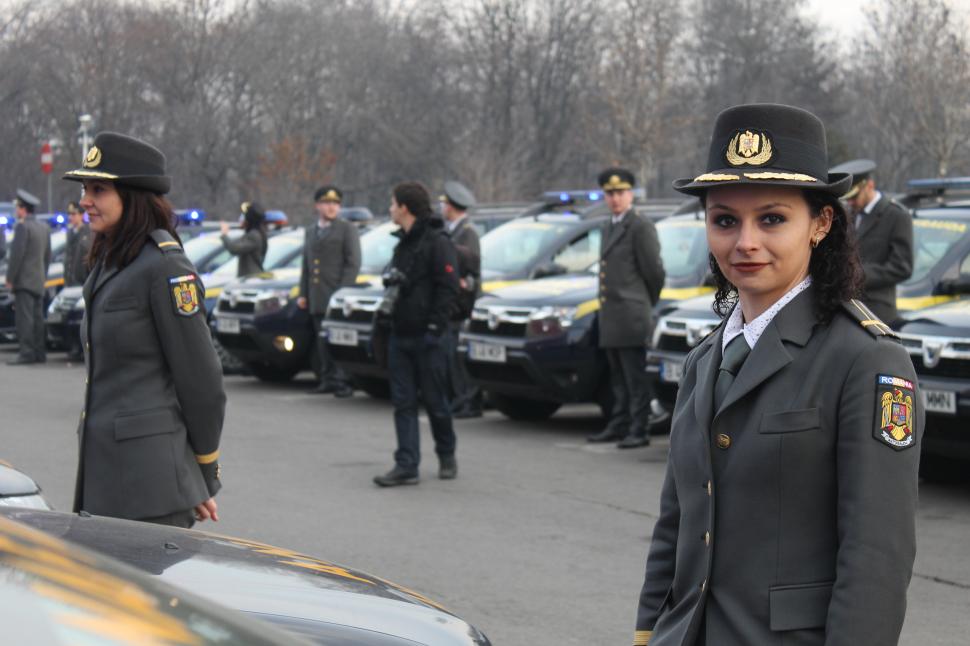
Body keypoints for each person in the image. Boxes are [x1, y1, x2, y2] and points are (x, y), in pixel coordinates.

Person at [632, 104, 922, 646]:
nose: (745, 242)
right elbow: (676, 523)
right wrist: (648, 632)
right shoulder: (704, 359)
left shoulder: (866, 360)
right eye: (725, 220)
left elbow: (875, 555)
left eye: (771, 219)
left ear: (820, 223)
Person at [63, 131, 226, 528]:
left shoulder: (165, 267)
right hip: (105, 475)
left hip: (150, 489)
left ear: (133, 196)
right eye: (85, 188)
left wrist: (202, 472)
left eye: (98, 190)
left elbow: (201, 381)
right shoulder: (111, 261)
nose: (85, 200)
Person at [373, 182, 459, 487]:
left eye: (393, 203)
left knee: (436, 402)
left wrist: (435, 327)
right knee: (403, 402)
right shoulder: (403, 244)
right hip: (401, 334)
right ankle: (406, 464)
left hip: (428, 337)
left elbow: (448, 288)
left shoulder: (437, 242)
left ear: (404, 208)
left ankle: (446, 454)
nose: (390, 209)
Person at [586, 168, 666, 448]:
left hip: (631, 315)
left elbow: (654, 272)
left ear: (630, 194)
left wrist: (642, 302)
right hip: (612, 316)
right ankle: (619, 424)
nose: (615, 198)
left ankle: (639, 429)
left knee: (635, 378)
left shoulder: (639, 226)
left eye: (620, 193)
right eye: (610, 194)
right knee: (618, 378)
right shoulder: (608, 225)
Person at [829, 158, 913, 325]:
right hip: (846, 307)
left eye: (855, 196)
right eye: (848, 198)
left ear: (869, 186)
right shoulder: (848, 214)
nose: (851, 202)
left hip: (877, 310)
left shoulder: (896, 215)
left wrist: (856, 274)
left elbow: (901, 267)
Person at [297, 185, 360, 397]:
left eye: (335, 203)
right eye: (327, 203)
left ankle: (342, 380)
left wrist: (342, 293)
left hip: (336, 294)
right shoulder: (311, 231)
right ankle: (327, 379)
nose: (332, 207)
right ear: (317, 206)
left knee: (338, 340)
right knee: (321, 340)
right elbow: (306, 265)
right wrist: (303, 293)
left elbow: (353, 263)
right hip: (317, 295)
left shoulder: (346, 229)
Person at [440, 180, 483, 419]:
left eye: (444, 203)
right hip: (452, 303)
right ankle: (458, 399)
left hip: (462, 303)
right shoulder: (452, 230)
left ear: (452, 206)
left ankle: (469, 401)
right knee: (450, 355)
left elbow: (471, 268)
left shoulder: (467, 232)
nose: (442, 207)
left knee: (459, 354)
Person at [5, 189, 51, 365]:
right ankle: (40, 353)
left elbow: (17, 256)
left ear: (23, 209)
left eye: (18, 207)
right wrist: (43, 275)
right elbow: (47, 256)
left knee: (24, 319)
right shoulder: (44, 227)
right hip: (38, 280)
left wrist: (10, 278)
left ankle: (26, 353)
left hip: (24, 281)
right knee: (38, 319)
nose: (16, 211)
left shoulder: (22, 227)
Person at [219, 201, 267, 277]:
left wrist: (224, 234)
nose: (242, 219)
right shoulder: (254, 234)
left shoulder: (254, 236)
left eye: (244, 217)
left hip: (251, 278)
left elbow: (234, 248)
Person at [64, 200, 93, 287]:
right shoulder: (70, 232)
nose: (70, 217)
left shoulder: (89, 232)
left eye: (73, 214)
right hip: (70, 281)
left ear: (81, 215)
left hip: (83, 281)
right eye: (69, 214)